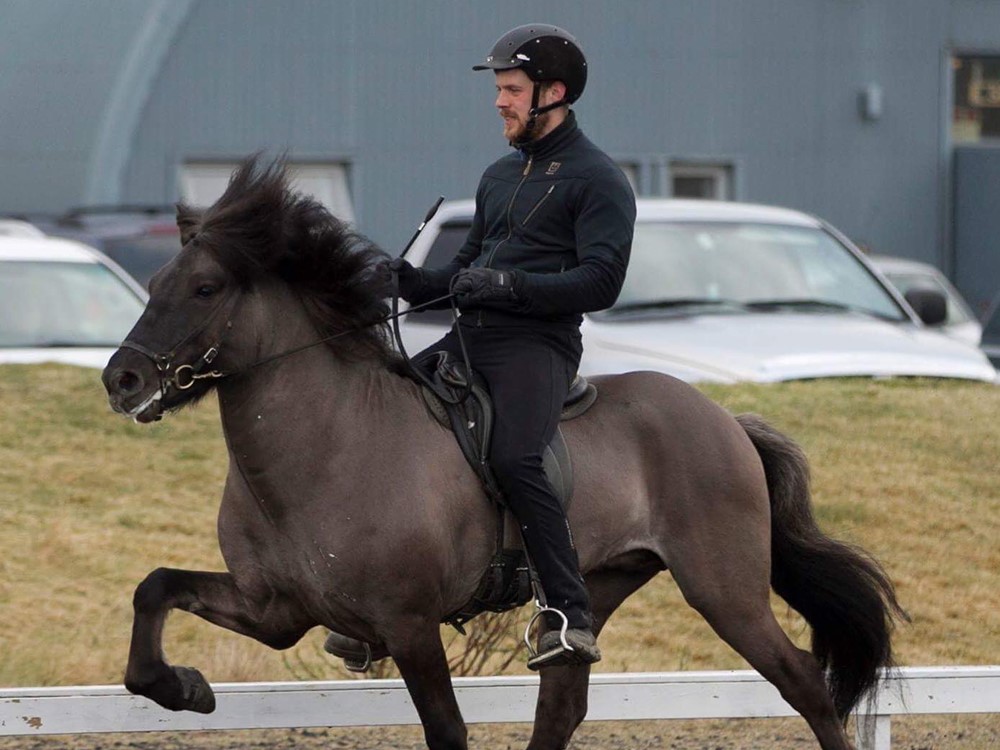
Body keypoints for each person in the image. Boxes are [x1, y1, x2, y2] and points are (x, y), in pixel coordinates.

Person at [327, 23, 635, 670]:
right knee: (383, 423)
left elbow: (601, 282)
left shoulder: (598, 180)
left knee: (518, 457)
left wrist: (510, 284)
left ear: (554, 93)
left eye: (512, 90)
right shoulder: (499, 176)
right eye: (499, 90)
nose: (500, 102)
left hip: (537, 346)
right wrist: (406, 281)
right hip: (469, 337)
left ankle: (566, 614)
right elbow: (460, 274)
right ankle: (370, 607)